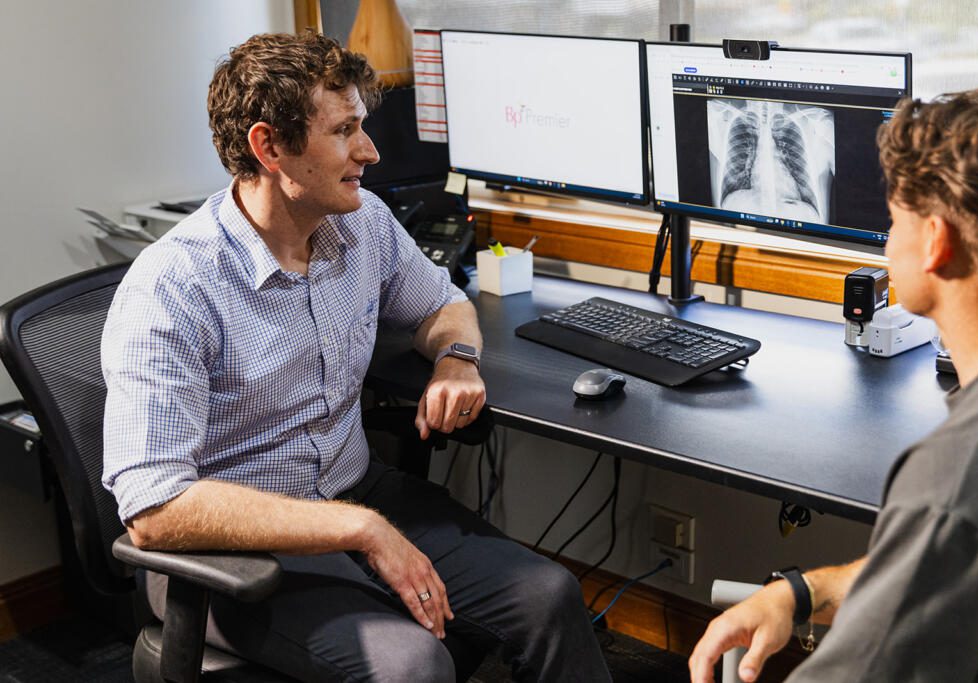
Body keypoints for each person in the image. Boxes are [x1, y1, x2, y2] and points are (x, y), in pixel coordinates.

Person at [101, 31, 610, 682]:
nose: (369, 151)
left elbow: (443, 303)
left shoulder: (360, 222)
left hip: (355, 495)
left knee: (549, 597)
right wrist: (359, 529)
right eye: (344, 131)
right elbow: (154, 509)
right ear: (269, 147)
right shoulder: (172, 288)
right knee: (413, 666)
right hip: (230, 552)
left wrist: (456, 360)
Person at [689, 82, 978, 682]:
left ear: (936, 241)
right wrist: (802, 592)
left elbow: (947, 532)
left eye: (894, 221)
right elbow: (934, 567)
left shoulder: (961, 477)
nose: (887, 241)